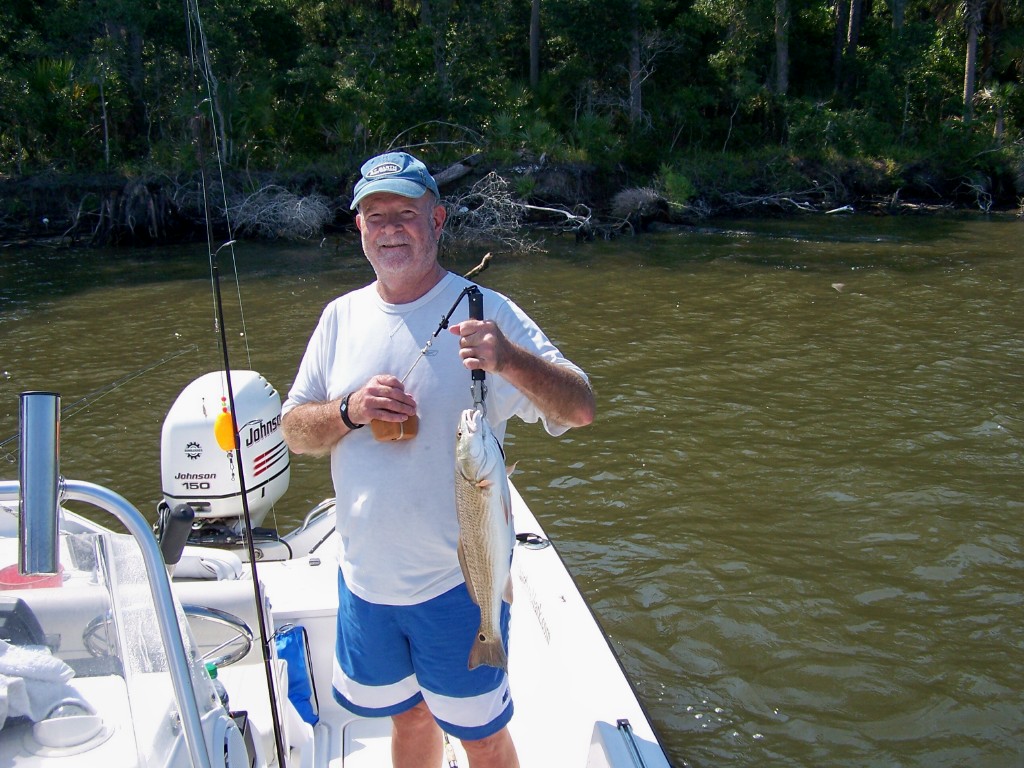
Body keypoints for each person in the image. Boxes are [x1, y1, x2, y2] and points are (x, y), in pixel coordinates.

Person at [280, 151, 595, 768]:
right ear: (360, 229)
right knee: (408, 716)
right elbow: (295, 431)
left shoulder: (486, 312)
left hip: (460, 585)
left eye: (406, 212)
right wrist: (349, 410)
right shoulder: (338, 318)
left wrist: (509, 360)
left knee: (481, 736)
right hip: (365, 582)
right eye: (376, 216)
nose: (391, 227)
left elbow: (579, 406)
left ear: (439, 219)